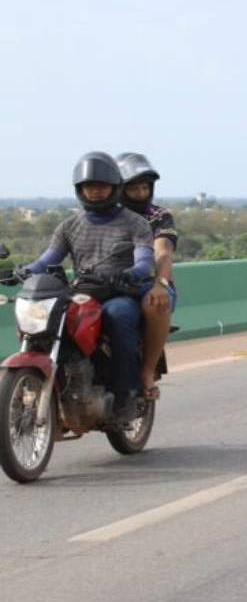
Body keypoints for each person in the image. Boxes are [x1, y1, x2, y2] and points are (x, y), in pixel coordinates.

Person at [20, 152, 154, 421]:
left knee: (119, 316)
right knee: (43, 321)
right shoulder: (70, 225)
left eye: (102, 186)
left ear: (115, 187)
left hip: (119, 291)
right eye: (89, 187)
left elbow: (144, 259)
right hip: (82, 293)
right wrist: (23, 271)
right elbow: (48, 259)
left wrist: (133, 273)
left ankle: (125, 394)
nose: (95, 192)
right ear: (80, 190)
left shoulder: (135, 223)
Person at [117, 152, 178, 398]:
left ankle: (146, 370)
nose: (142, 193)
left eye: (145, 187)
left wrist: (160, 283)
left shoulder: (159, 216)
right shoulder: (106, 215)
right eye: (134, 188)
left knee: (155, 304)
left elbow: (162, 252)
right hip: (107, 283)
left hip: (148, 283)